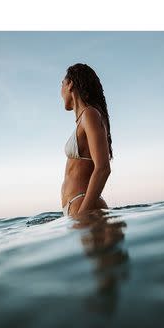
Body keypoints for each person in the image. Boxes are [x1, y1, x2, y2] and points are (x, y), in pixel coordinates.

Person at [60, 63, 113, 217]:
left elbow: (103, 168)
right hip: (77, 207)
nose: (60, 91)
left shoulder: (90, 114)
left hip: (84, 207)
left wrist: (82, 213)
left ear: (70, 85)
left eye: (61, 84)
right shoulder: (85, 118)